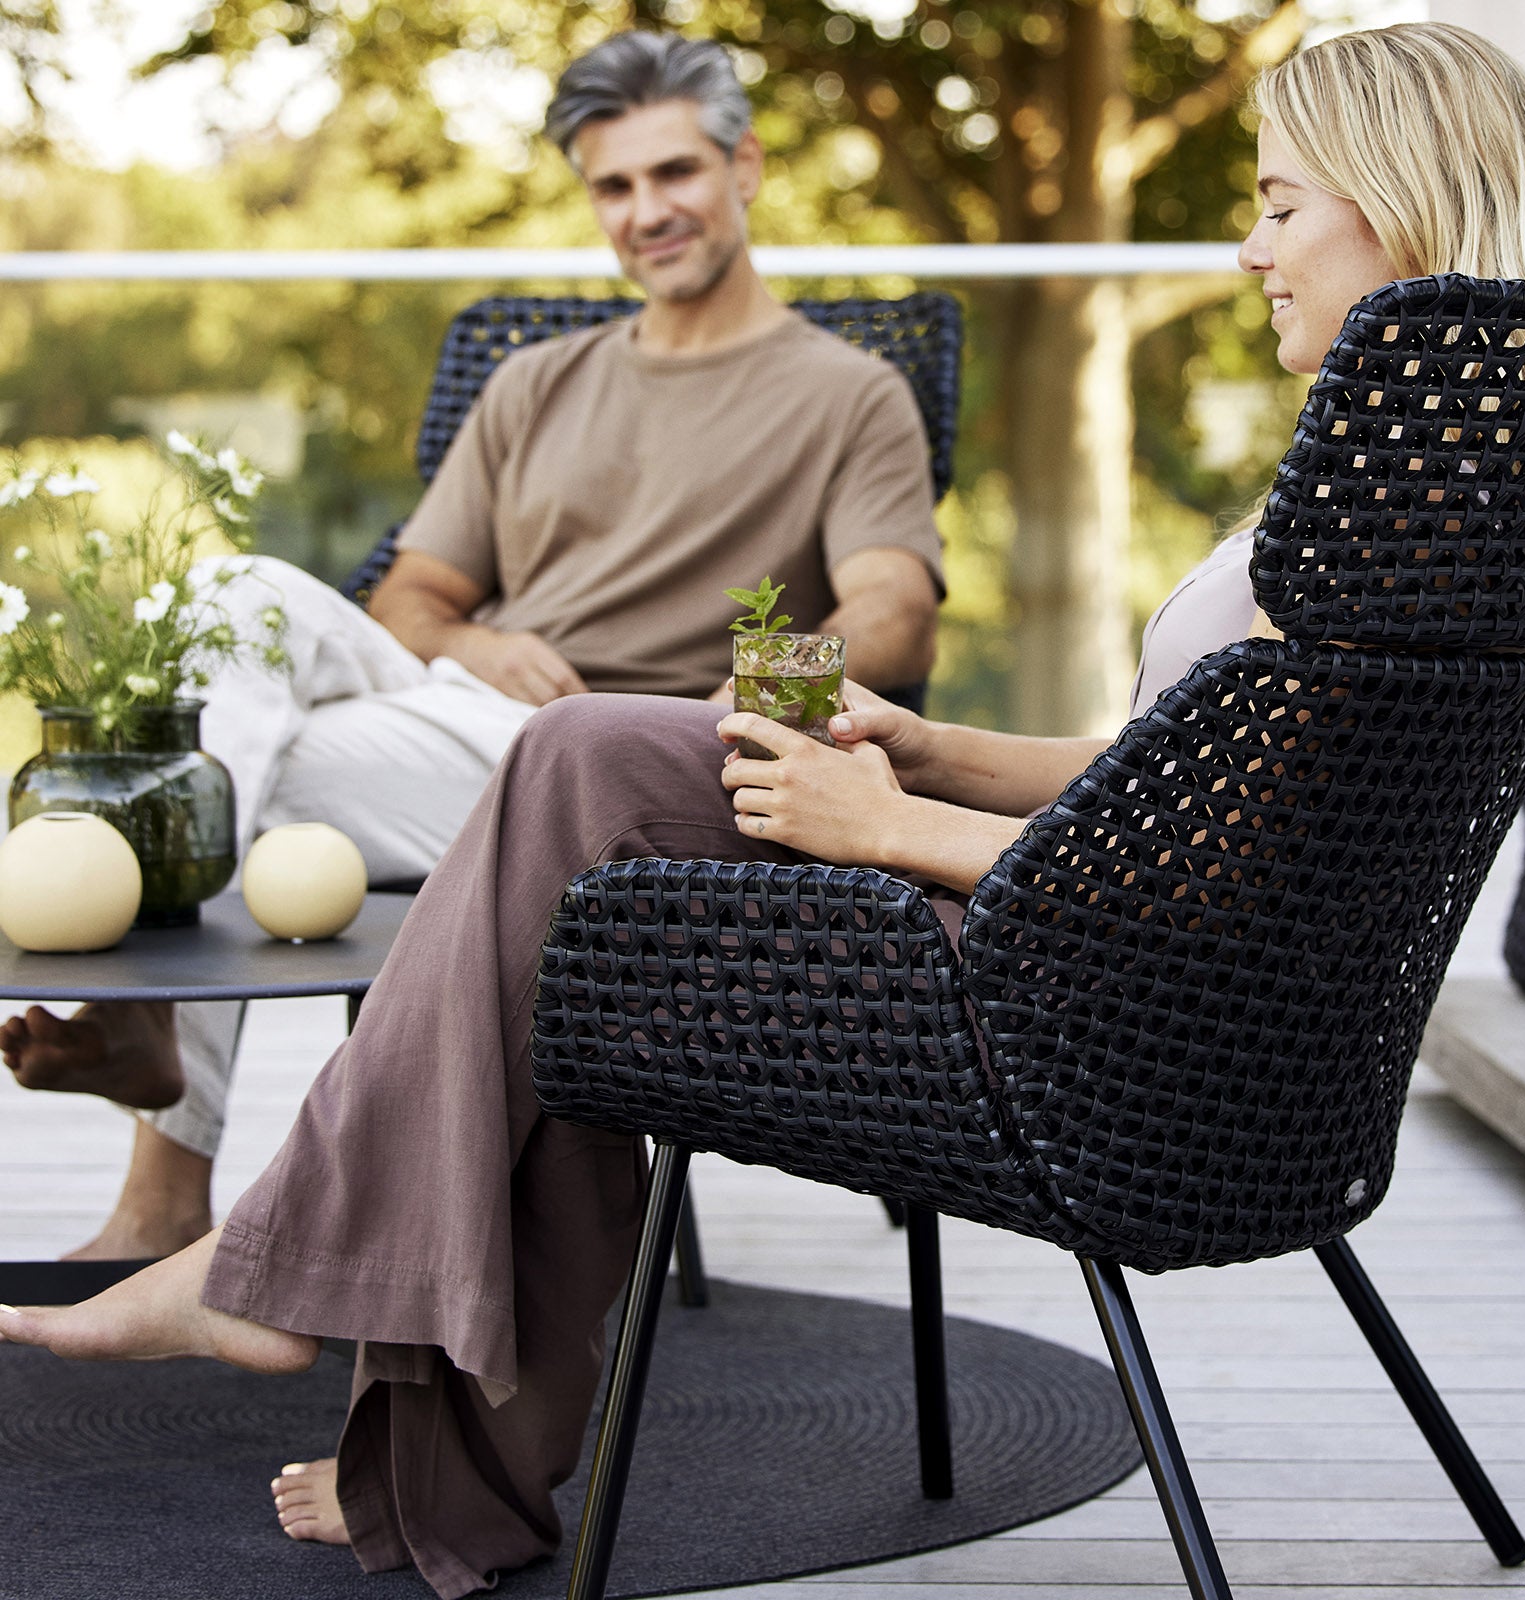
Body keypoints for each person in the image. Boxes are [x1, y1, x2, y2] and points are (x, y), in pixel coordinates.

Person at [0, 22, 1525, 1599]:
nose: (1248, 246)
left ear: (1407, 198)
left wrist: (893, 828)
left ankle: (294, 1280)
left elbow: (1226, 872)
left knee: (569, 873)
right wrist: (925, 750)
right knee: (568, 801)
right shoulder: (1456, 472)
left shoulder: (1397, 499)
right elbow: (1182, 778)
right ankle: (346, 1324)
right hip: (1127, 970)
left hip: (1078, 1010)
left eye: (1277, 204)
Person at [0, 31, 943, 1265]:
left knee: (238, 771)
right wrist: (479, 639)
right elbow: (411, 598)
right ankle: (179, 1139)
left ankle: (163, 1138)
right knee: (238, 603)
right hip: (462, 719)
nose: (648, 212)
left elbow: (895, 608)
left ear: (746, 167)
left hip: (623, 765)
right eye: (614, 186)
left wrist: (765, 691)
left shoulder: (851, 392)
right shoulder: (534, 381)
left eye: (675, 174)